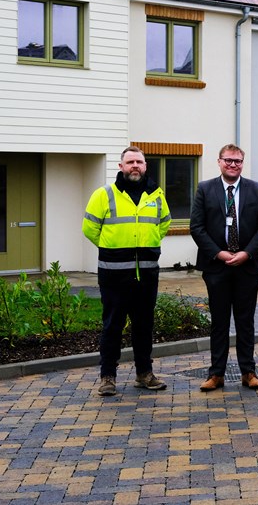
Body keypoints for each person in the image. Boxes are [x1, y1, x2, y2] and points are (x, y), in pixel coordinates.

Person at [82, 146, 171, 397]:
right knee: (112, 326)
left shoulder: (156, 194)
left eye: (139, 162)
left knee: (144, 326)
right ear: (120, 166)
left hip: (146, 274)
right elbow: (90, 228)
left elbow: (163, 224)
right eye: (130, 161)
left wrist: (148, 246)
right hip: (114, 275)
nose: (135, 166)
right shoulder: (104, 194)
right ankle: (107, 377)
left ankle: (145, 374)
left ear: (145, 166)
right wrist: (112, 249)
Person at [190, 144, 258, 392]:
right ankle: (216, 374)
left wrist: (247, 253)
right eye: (229, 160)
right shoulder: (205, 189)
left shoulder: (256, 189)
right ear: (219, 162)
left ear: (242, 163)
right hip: (217, 267)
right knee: (219, 322)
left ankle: (248, 372)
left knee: (245, 321)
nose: (233, 165)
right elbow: (197, 227)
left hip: (247, 267)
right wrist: (219, 253)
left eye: (237, 161)